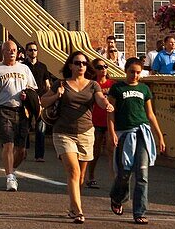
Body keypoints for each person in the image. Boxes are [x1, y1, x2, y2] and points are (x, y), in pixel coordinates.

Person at [40, 51, 113, 224]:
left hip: (86, 132)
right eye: (77, 63)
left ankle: (73, 207)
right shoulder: (61, 83)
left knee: (80, 177)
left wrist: (106, 104)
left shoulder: (93, 85)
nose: (81, 66)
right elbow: (43, 101)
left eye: (84, 63)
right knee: (73, 171)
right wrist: (57, 95)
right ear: (70, 65)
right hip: (63, 132)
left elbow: (100, 99)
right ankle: (79, 211)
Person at [108, 57, 166, 224]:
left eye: (138, 72)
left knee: (142, 174)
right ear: (126, 71)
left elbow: (150, 114)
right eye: (132, 72)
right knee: (124, 172)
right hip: (125, 134)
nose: (135, 75)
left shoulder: (144, 89)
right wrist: (112, 132)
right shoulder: (117, 88)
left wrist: (159, 136)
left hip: (142, 133)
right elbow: (110, 112)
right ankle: (117, 197)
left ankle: (139, 211)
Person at [0, 40, 38, 191]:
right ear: (3, 52)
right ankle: (10, 177)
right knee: (8, 144)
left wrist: (30, 99)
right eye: (8, 50)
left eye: (14, 50)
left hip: (21, 111)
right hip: (3, 110)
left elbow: (33, 90)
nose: (12, 52)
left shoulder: (24, 69)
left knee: (21, 150)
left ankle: (11, 169)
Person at [21, 41, 54, 161]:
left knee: (41, 128)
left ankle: (39, 155)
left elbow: (47, 85)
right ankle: (22, 151)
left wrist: (48, 99)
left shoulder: (43, 67)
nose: (33, 52)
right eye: (30, 50)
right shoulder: (23, 66)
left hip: (40, 100)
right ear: (26, 52)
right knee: (25, 126)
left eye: (35, 50)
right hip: (27, 99)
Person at [85, 58, 115, 189]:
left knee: (111, 150)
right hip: (95, 121)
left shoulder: (113, 84)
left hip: (109, 121)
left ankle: (115, 179)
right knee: (95, 151)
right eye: (100, 67)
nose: (103, 69)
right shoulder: (92, 84)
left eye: (105, 66)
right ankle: (90, 176)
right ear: (95, 70)